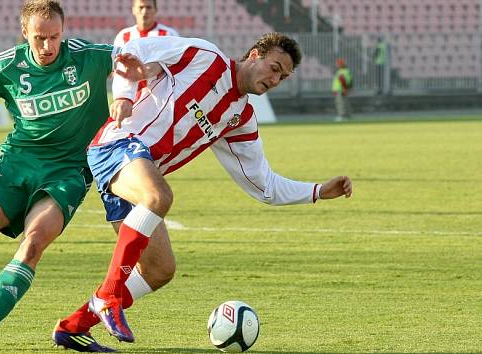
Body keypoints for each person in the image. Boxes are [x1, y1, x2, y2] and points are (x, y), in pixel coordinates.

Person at [52, 33, 354, 351]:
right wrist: (125, 95)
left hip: (139, 173)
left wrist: (319, 191)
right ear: (254, 55)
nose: (275, 79)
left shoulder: (241, 118)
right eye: (274, 67)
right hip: (116, 144)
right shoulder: (203, 56)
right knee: (159, 197)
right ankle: (107, 296)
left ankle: (72, 328)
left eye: (283, 76)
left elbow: (264, 184)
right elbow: (133, 49)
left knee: (159, 270)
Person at [0, 1, 146, 353]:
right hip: (17, 163)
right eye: (40, 38)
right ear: (25, 33)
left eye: (54, 37)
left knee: (34, 244)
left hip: (68, 171)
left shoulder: (90, 55)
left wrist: (132, 95)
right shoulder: (7, 66)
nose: (49, 46)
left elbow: (133, 61)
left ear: (63, 31)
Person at [114, 0, 179, 100]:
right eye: (141, 7)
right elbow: (116, 67)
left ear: (155, 10)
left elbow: (176, 66)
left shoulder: (168, 34)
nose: (144, 11)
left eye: (148, 7)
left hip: (159, 99)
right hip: (131, 98)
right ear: (133, 10)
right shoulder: (123, 36)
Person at [332, 58, 352, 122]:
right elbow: (350, 81)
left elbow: (342, 80)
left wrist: (344, 88)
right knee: (345, 102)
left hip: (340, 90)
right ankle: (347, 116)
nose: (336, 65)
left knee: (340, 103)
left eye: (338, 64)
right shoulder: (347, 71)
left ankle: (342, 116)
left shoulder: (341, 71)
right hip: (343, 89)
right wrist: (347, 88)